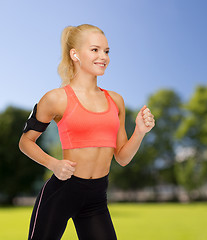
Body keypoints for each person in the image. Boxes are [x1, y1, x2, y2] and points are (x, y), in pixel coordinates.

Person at [19, 24, 155, 240]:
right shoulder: (56, 98)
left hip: (96, 198)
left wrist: (140, 131)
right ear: (75, 54)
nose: (104, 57)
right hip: (61, 193)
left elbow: (122, 157)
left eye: (107, 51)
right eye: (95, 50)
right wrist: (53, 164)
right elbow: (26, 142)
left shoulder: (115, 100)